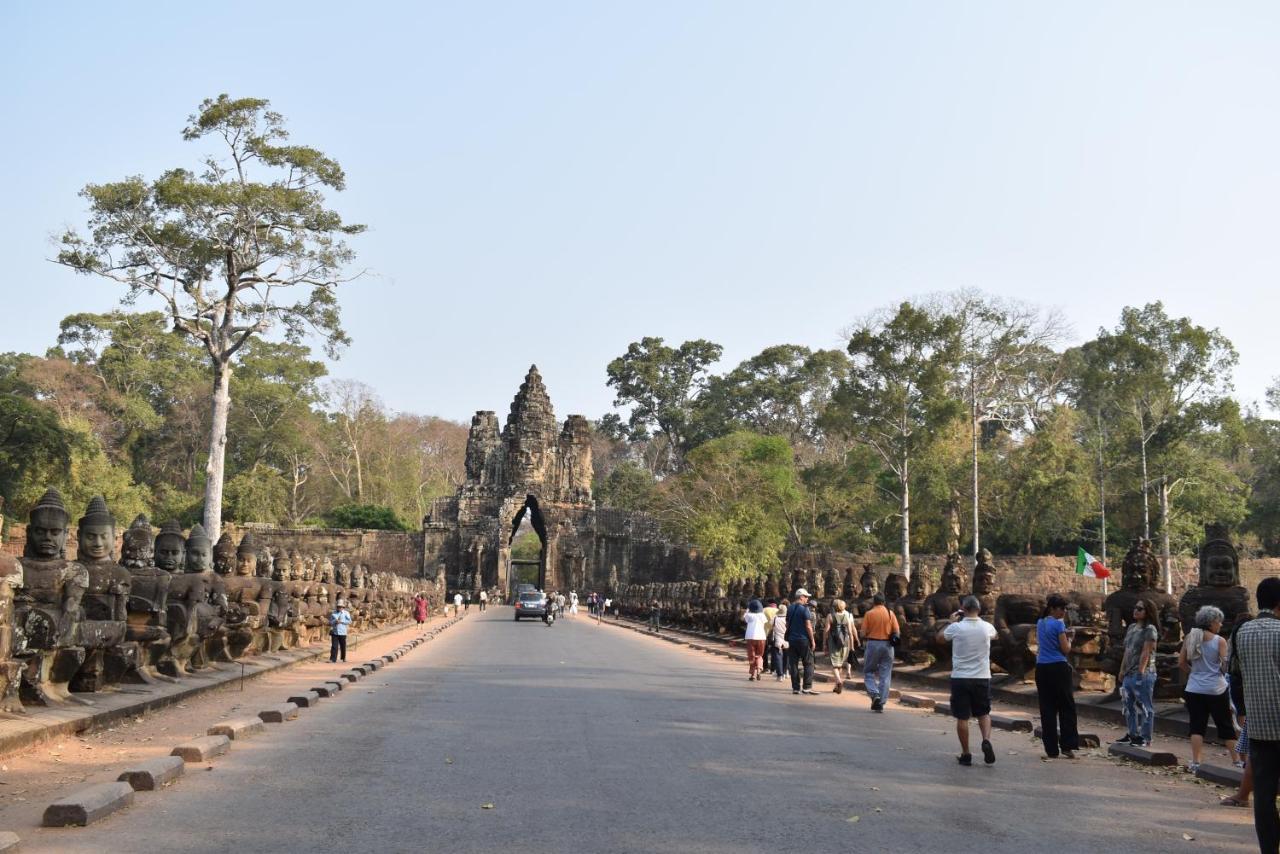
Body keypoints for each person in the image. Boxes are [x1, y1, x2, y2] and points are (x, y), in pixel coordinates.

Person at [1233, 577, 1280, 853]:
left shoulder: (1242, 632)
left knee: (1263, 794)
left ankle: (1268, 849)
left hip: (1259, 725)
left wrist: (1242, 712)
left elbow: (1234, 675)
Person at [939, 595, 998, 766]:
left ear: (962, 610)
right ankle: (986, 740)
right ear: (979, 609)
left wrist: (950, 622)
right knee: (984, 713)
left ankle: (966, 753)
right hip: (982, 677)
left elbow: (939, 638)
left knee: (962, 717)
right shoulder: (987, 627)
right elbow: (995, 635)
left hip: (960, 678)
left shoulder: (956, 627)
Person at [1180, 604, 1236, 774]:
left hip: (1194, 687)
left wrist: (1195, 673)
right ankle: (1237, 760)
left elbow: (1181, 663)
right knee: (1225, 725)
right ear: (1211, 622)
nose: (1220, 625)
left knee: (1197, 726)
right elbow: (1225, 666)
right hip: (1216, 688)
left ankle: (1196, 761)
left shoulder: (1190, 637)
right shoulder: (1219, 641)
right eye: (1219, 622)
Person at [1035, 593, 1080, 759]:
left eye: (1065, 609)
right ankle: (1068, 744)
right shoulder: (1058, 625)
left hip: (1042, 667)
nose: (1064, 612)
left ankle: (1051, 747)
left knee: (1047, 708)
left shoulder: (1040, 622)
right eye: (1061, 609)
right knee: (1066, 706)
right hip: (1058, 667)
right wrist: (1071, 639)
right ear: (1052, 608)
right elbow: (1065, 649)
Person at [1115, 598, 1158, 747]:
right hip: (1129, 672)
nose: (1136, 611)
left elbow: (1146, 652)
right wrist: (1122, 669)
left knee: (1145, 706)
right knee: (1128, 704)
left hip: (1144, 673)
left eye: (1140, 609)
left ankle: (1145, 737)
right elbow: (1128, 650)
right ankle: (1133, 734)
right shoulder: (1132, 627)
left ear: (1147, 612)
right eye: (1135, 608)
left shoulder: (1150, 630)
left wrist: (1140, 672)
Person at [861, 592, 899, 712]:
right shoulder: (890, 613)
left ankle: (874, 693)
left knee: (869, 671)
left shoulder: (869, 614)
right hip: (888, 646)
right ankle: (881, 702)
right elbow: (897, 631)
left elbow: (862, 633)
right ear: (884, 602)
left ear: (874, 602)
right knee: (885, 674)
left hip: (873, 644)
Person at [785, 589, 818, 695]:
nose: (807, 599)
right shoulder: (805, 610)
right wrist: (812, 640)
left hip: (792, 639)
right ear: (801, 597)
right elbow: (808, 626)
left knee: (793, 664)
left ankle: (795, 687)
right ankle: (807, 687)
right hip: (803, 639)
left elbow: (787, 624)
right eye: (806, 596)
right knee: (809, 663)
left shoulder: (789, 608)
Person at [824, 598, 858, 694]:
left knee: (835, 665)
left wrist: (824, 643)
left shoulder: (830, 616)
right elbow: (850, 633)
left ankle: (838, 681)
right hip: (845, 643)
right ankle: (836, 686)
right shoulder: (847, 617)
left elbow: (826, 631)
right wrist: (852, 646)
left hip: (834, 643)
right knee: (839, 665)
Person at [743, 599, 769, 681]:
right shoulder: (762, 616)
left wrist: (748, 610)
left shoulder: (749, 615)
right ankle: (759, 671)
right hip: (761, 637)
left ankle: (753, 675)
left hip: (750, 637)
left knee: (752, 656)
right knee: (759, 655)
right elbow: (765, 621)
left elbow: (744, 617)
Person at [329, 599, 352, 663]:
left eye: (341, 607)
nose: (339, 608)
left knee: (343, 645)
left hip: (342, 632)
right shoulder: (333, 613)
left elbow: (350, 621)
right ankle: (333, 659)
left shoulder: (346, 613)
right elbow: (330, 622)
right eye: (338, 607)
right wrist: (335, 621)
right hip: (335, 631)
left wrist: (341, 621)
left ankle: (343, 658)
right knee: (334, 646)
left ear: (343, 607)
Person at [771, 600, 789, 683]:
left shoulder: (775, 618)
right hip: (787, 639)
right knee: (786, 657)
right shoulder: (788, 619)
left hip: (778, 639)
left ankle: (780, 675)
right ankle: (785, 672)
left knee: (778, 657)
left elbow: (772, 627)